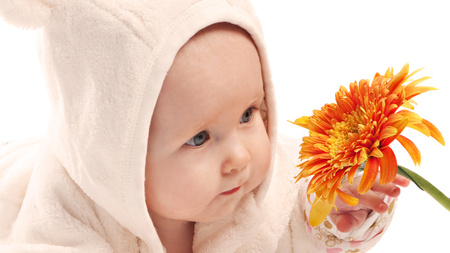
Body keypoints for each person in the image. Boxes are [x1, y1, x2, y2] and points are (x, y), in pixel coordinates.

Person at [0, 0, 409, 252]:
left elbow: (297, 222)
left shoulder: (255, 175)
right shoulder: (67, 210)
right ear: (117, 153)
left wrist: (335, 209)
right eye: (199, 138)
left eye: (249, 113)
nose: (239, 156)